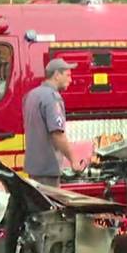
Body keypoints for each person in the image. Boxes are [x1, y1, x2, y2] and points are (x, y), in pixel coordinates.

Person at [24, 58, 82, 187]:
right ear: (56, 75)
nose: (71, 80)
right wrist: (73, 160)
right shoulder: (52, 98)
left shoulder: (32, 95)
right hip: (47, 170)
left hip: (35, 168)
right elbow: (57, 134)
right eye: (67, 75)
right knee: (52, 205)